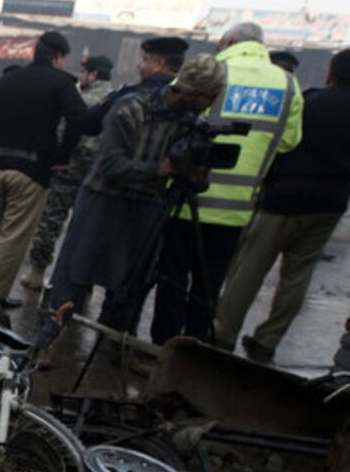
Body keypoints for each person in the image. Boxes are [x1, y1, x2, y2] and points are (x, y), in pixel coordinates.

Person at [41, 55, 226, 346]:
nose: (211, 105)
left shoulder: (191, 124)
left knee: (131, 287)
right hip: (104, 201)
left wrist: (196, 177)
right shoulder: (132, 108)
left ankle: (116, 349)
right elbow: (109, 165)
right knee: (74, 277)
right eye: (210, 97)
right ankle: (46, 344)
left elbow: (187, 175)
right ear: (194, 92)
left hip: (148, 207)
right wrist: (158, 170)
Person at [150, 22, 303, 345]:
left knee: (172, 279)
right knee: (208, 285)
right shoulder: (288, 84)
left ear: (229, 41)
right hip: (236, 210)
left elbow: (170, 105)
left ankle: (164, 347)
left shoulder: (211, 70)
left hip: (186, 199)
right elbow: (289, 141)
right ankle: (196, 349)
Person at [213, 48, 350, 363]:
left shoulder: (310, 101)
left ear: (331, 72)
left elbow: (283, 141)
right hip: (330, 204)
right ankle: (267, 340)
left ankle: (223, 333)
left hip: (284, 199)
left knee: (250, 268)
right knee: (298, 275)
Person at [0, 30, 86, 325]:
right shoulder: (62, 84)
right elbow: (80, 119)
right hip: (32, 171)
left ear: (34, 52)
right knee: (13, 237)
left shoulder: (8, 80)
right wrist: (62, 155)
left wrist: (5, 134)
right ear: (59, 57)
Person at [21, 54, 116, 288]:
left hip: (69, 169)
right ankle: (82, 282)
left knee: (52, 219)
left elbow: (61, 133)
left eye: (83, 73)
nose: (80, 77)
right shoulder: (118, 101)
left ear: (93, 74)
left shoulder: (78, 99)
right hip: (99, 174)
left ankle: (37, 273)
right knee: (90, 227)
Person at [86, 36, 188, 136]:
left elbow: (90, 123)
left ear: (158, 64)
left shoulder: (129, 97)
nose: (139, 65)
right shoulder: (186, 103)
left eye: (145, 60)